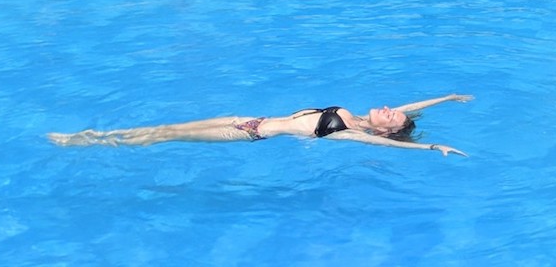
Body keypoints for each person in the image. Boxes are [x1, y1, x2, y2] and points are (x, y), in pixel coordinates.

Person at [48, 94, 472, 155]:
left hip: (249, 131)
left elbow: (391, 145)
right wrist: (447, 98)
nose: (391, 109)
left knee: (168, 135)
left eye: (394, 117)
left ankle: (89, 143)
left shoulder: (357, 132)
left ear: (384, 129)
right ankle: (95, 138)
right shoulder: (362, 117)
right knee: (167, 126)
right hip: (243, 116)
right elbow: (413, 107)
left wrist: (429, 148)